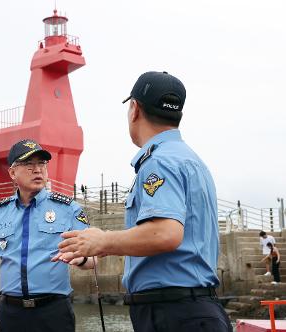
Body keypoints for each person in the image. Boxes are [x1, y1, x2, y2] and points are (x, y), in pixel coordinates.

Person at [55, 71, 232, 331]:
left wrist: (102, 239)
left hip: (173, 314)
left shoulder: (158, 161)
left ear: (134, 109)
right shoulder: (191, 160)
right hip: (196, 309)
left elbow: (165, 234)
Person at [0, 139, 94, 332]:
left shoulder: (69, 209)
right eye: (29, 164)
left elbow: (93, 258)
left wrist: (81, 258)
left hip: (54, 312)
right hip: (11, 314)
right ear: (12, 172)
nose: (38, 170)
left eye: (42, 164)